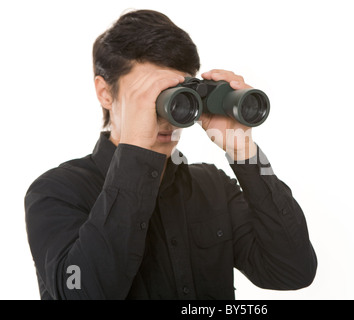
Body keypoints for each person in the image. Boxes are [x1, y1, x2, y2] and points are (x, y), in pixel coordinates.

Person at [24, 9, 317, 300]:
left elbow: (293, 270)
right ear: (105, 93)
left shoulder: (212, 186)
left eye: (178, 97)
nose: (167, 118)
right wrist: (137, 148)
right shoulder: (56, 192)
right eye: (151, 97)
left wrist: (245, 153)